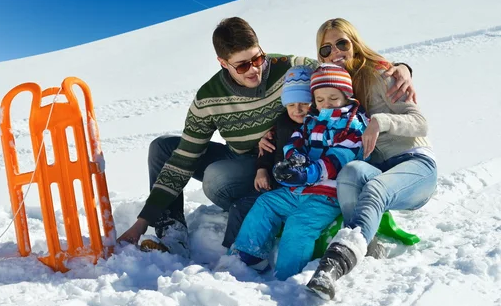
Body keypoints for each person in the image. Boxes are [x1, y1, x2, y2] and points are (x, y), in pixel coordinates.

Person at [117, 16, 413, 256]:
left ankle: (260, 204)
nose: (254, 69)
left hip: (280, 159)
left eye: (257, 58)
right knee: (163, 148)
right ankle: (172, 233)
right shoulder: (209, 98)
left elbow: (337, 68)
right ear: (223, 63)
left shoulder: (290, 67)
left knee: (217, 176)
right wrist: (143, 221)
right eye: (242, 65)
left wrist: (399, 68)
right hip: (241, 157)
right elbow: (185, 158)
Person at [306, 18, 437, 300]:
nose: (336, 52)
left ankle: (334, 265)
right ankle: (366, 243)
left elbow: (421, 123)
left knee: (376, 189)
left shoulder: (381, 74)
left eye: (342, 43)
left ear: (355, 43)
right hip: (377, 167)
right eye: (326, 49)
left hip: (414, 163)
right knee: (351, 172)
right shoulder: (331, 84)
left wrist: (381, 120)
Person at [231, 64, 369, 280]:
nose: (326, 104)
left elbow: (337, 159)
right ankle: (249, 255)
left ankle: (287, 276)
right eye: (320, 100)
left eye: (333, 98)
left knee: (299, 225)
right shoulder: (313, 120)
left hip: (327, 195)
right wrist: (293, 160)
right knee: (266, 203)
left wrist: (308, 173)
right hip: (299, 189)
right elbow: (297, 140)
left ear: (347, 96)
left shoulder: (353, 126)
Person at [222, 64, 313, 249]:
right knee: (240, 208)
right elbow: (268, 150)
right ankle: (232, 251)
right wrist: (262, 169)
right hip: (276, 187)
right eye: (292, 105)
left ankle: (261, 248)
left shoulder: (318, 127)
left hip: (303, 193)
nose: (298, 110)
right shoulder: (281, 124)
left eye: (304, 103)